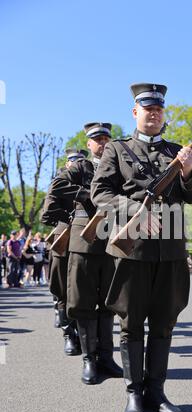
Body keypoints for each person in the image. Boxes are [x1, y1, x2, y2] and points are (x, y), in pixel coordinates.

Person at [91, 83, 192, 412]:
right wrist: (134, 212)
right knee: (131, 324)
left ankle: (157, 391)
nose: (154, 114)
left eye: (159, 109)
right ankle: (134, 393)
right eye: (147, 108)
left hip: (170, 252)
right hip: (133, 252)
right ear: (135, 112)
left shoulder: (177, 151)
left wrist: (187, 171)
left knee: (164, 324)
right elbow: (100, 194)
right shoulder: (118, 150)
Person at [50, 139, 122, 383]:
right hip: (83, 241)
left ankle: (106, 357)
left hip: (112, 239)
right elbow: (58, 185)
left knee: (108, 303)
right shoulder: (81, 168)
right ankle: (89, 359)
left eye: (105, 139)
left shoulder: (119, 164)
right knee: (83, 301)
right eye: (97, 140)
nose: (102, 144)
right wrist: (88, 195)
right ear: (89, 144)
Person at [41, 163, 81, 354]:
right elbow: (47, 213)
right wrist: (68, 216)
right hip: (65, 235)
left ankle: (88, 336)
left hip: (90, 237)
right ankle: (69, 335)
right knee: (63, 289)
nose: (76, 164)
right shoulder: (60, 183)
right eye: (73, 161)